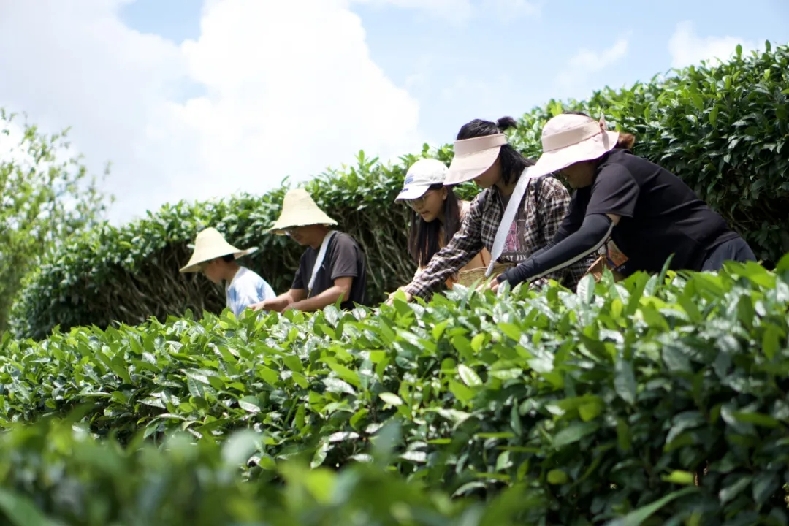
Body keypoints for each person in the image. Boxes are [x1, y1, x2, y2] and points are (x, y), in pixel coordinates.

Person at [491, 111, 757, 291]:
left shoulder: (617, 171)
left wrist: (517, 276)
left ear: (587, 155)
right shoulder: (586, 189)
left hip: (719, 258)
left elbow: (592, 234)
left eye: (566, 163)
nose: (563, 171)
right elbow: (561, 241)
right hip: (685, 274)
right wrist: (511, 276)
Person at [395, 116, 592, 302]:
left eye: (475, 166)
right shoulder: (484, 204)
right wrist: (412, 290)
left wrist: (517, 297)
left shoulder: (546, 191)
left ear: (497, 156)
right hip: (515, 300)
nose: (471, 175)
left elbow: (559, 260)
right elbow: (454, 252)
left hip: (565, 299)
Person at [250, 188, 367, 313]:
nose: (293, 233)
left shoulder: (341, 244)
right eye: (288, 230)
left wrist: (301, 306)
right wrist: (264, 305)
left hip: (347, 327)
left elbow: (341, 291)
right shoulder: (307, 256)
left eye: (295, 227)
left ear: (312, 221)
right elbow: (292, 298)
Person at [395, 158, 492, 288]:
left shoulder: (473, 216)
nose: (417, 206)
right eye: (412, 201)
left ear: (444, 191)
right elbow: (425, 271)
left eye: (422, 198)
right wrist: (407, 291)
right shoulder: (432, 230)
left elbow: (496, 267)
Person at [179, 227, 276, 317]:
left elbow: (252, 324)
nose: (204, 274)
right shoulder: (233, 283)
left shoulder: (243, 283)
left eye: (203, 269)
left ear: (216, 262)